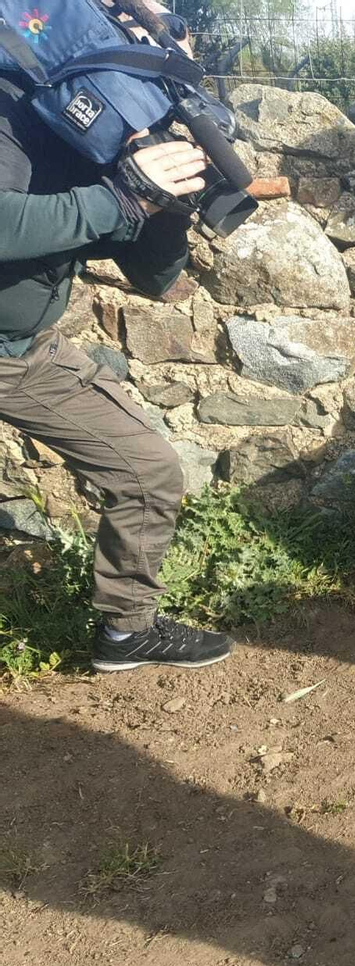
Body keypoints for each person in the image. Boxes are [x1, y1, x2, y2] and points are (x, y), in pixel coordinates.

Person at [0, 4, 233, 672]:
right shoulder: (12, 107)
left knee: (146, 469)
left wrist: (169, 208)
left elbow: (152, 276)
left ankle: (126, 631)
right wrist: (124, 194)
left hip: (24, 348)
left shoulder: (95, 134)